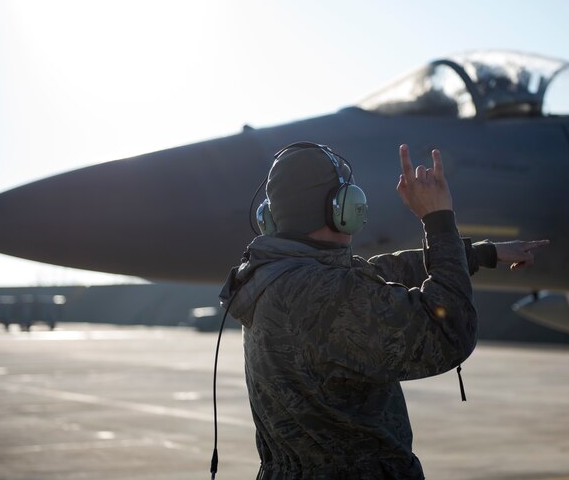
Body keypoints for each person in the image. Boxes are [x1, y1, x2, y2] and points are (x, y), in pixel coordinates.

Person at [218, 143, 548, 479]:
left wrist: (482, 254)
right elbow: (448, 332)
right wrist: (438, 220)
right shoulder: (325, 295)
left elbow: (377, 273)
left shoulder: (278, 277)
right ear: (342, 208)